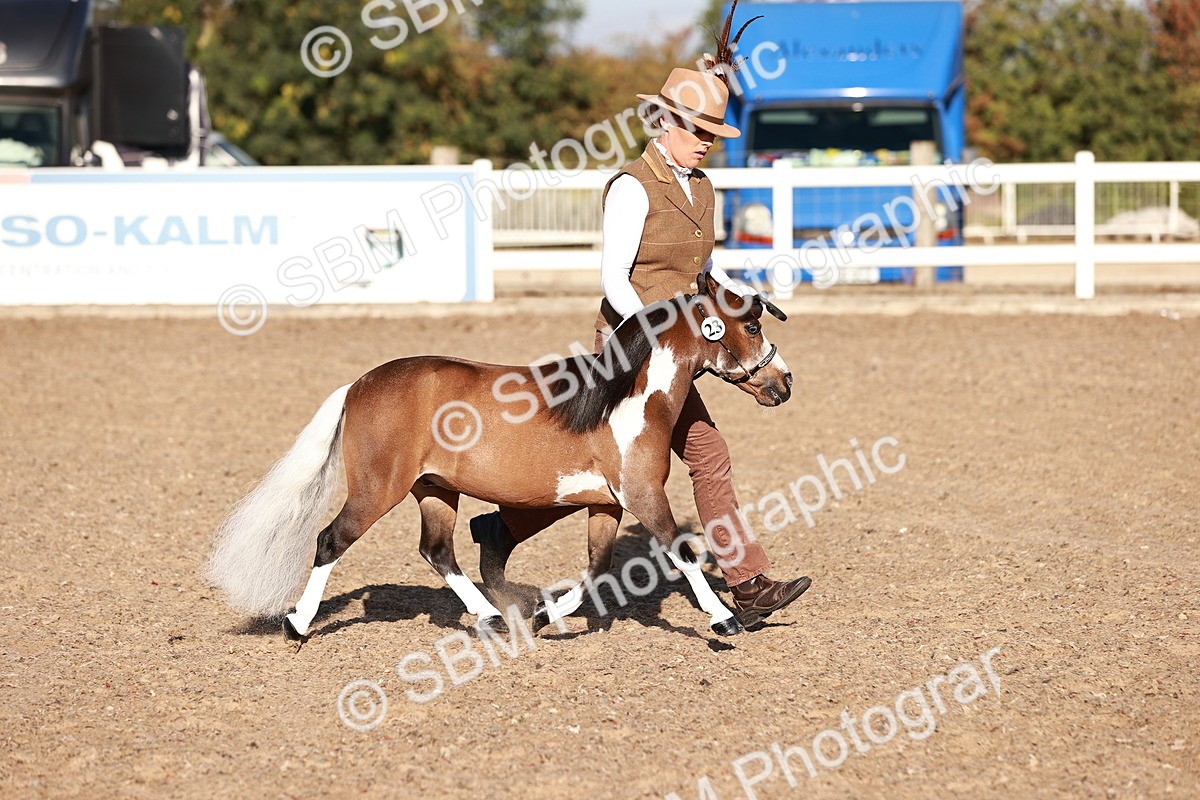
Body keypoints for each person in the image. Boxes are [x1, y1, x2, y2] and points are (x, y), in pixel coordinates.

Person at [470, 54, 812, 629]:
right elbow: (614, 279)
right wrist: (653, 335)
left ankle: (501, 528)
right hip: (631, 349)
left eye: (714, 134)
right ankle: (747, 583)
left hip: (680, 353)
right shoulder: (632, 187)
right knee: (634, 467)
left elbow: (705, 269)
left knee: (640, 467)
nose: (707, 143)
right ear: (665, 123)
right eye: (699, 131)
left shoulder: (702, 188)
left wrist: (738, 294)